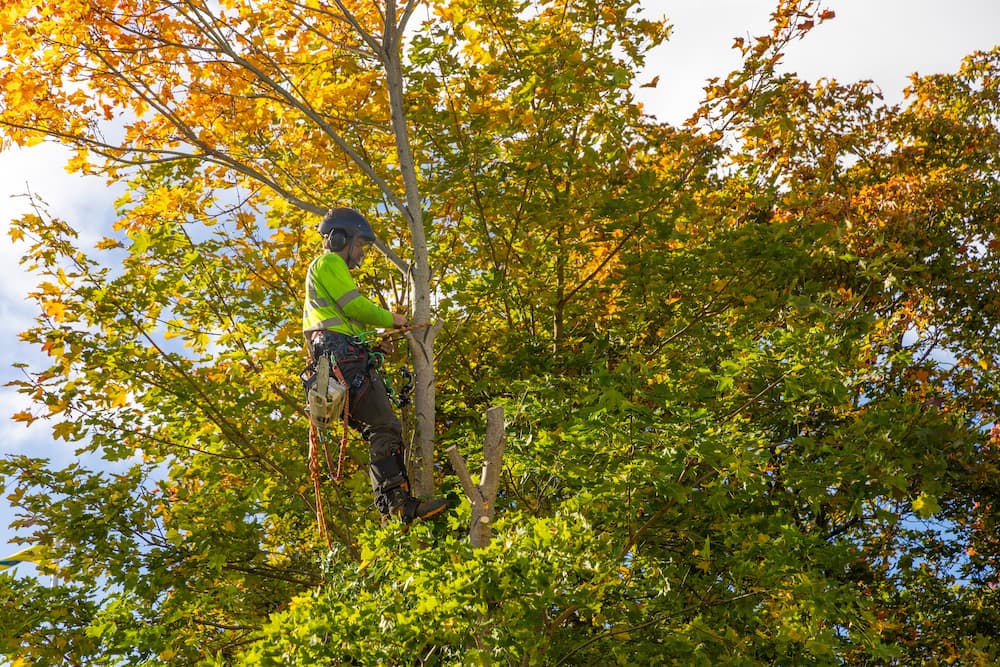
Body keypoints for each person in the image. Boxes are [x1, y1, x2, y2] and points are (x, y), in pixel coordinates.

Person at [302, 207, 448, 525]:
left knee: (378, 429)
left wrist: (371, 341)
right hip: (341, 359)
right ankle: (396, 504)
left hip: (338, 358)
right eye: (359, 245)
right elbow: (354, 305)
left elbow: (345, 323)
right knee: (385, 427)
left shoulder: (324, 275)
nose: (361, 252)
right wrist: (392, 319)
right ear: (341, 238)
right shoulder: (328, 262)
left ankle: (391, 509)